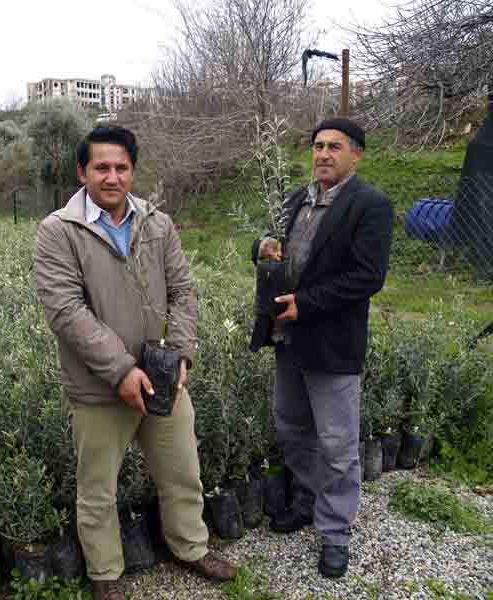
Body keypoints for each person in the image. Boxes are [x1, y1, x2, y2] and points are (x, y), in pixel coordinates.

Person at [35, 125, 237, 600]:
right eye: (101, 167)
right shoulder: (59, 231)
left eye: (121, 167)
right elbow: (66, 311)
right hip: (98, 387)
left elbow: (184, 293)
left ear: (133, 170)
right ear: (82, 171)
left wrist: (182, 352)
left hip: (163, 380)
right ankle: (106, 574)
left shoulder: (157, 224)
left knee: (183, 471)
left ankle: (190, 547)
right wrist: (122, 371)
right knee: (99, 488)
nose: (111, 177)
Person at [250, 118, 394, 578]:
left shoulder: (370, 205)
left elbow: (367, 276)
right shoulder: (296, 199)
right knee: (292, 426)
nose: (324, 154)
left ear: (357, 155)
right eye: (318, 146)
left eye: (335, 146)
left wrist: (305, 305)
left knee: (336, 443)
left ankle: (335, 533)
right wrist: (263, 247)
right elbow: (263, 246)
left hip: (332, 344)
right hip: (288, 340)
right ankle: (307, 503)